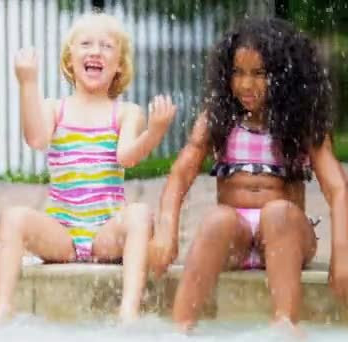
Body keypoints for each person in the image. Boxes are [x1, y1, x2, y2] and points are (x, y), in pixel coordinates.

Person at [149, 17, 348, 332]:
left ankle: (285, 326)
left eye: (259, 74)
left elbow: (338, 189)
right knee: (217, 219)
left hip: (286, 238)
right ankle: (181, 327)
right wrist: (166, 232)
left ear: (285, 77)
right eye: (238, 73)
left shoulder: (302, 122)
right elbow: (180, 174)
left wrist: (342, 254)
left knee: (278, 212)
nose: (245, 85)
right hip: (236, 240)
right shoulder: (218, 118)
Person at [0, 12, 177, 326]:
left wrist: (154, 132)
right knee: (13, 217)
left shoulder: (126, 113)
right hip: (62, 235)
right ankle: (2, 306)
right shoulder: (54, 108)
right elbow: (35, 138)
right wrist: (27, 84)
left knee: (140, 214)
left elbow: (127, 157)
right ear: (70, 60)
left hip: (104, 233)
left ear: (120, 66)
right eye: (86, 44)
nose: (96, 51)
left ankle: (128, 310)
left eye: (107, 47)